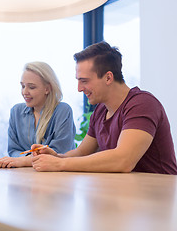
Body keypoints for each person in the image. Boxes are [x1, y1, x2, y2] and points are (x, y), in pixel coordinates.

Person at [31, 41, 177, 175]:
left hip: (157, 197)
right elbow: (82, 153)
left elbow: (123, 160)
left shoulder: (142, 104)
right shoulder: (101, 111)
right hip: (123, 194)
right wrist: (56, 157)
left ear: (108, 78)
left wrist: (60, 164)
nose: (79, 88)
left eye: (84, 81)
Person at [0, 61, 76, 168]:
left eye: (31, 87)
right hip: (25, 174)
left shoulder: (63, 110)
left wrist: (23, 160)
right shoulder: (16, 111)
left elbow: (60, 153)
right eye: (23, 86)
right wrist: (27, 159)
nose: (24, 92)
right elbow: (13, 150)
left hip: (55, 176)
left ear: (47, 88)